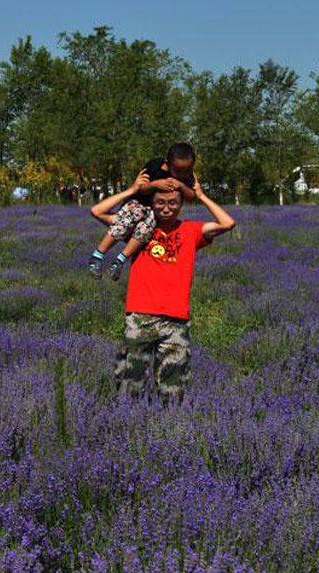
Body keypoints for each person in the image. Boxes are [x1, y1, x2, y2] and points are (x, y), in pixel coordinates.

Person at [89, 166, 236, 405]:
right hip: (140, 316)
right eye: (160, 203)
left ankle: (166, 430)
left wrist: (200, 195)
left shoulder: (190, 230)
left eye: (172, 203)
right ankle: (127, 426)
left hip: (176, 320)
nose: (166, 208)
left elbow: (227, 223)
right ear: (152, 203)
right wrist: (133, 190)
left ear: (181, 205)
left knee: (172, 388)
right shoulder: (140, 227)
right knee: (129, 383)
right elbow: (97, 211)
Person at [88, 143, 199, 281]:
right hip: (138, 204)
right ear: (166, 164)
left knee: (146, 228)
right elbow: (141, 188)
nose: (183, 175)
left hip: (154, 213)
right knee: (129, 218)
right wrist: (155, 184)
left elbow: (192, 197)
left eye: (187, 170)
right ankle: (98, 255)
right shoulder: (155, 166)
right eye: (178, 171)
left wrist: (182, 186)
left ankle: (120, 260)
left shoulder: (188, 177)